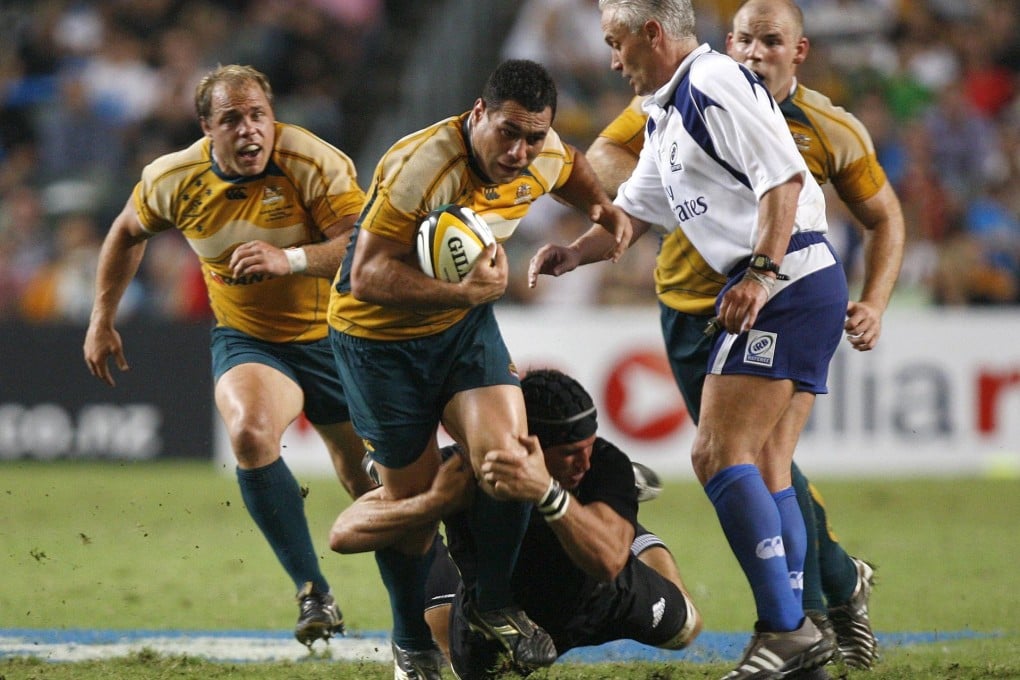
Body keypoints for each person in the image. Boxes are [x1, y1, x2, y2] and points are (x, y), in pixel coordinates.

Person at [529, 1, 853, 677]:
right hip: (799, 281)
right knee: (765, 466)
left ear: (653, 33)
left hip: (785, 281)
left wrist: (759, 277)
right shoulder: (669, 109)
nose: (613, 61)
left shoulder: (713, 83)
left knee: (715, 452)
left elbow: (785, 181)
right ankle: (802, 643)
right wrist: (573, 252)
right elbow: (634, 214)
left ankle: (786, 632)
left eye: (618, 43)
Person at [326, 59, 631, 676]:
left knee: (512, 457)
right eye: (508, 133)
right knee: (413, 513)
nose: (519, 152)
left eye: (533, 136)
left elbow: (569, 166)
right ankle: (411, 637)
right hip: (377, 341)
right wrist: (467, 295)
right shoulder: (424, 166)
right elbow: (366, 276)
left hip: (461, 332)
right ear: (477, 115)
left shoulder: (542, 153)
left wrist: (602, 209)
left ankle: (493, 605)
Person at [82, 64, 374, 648]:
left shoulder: (315, 161)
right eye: (231, 120)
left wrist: (287, 259)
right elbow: (124, 232)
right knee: (249, 435)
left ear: (274, 118)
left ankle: (441, 582)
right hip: (250, 338)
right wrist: (102, 318)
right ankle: (313, 591)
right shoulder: (174, 178)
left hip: (336, 333)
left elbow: (360, 246)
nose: (249, 131)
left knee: (361, 469)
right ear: (206, 129)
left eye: (258, 115)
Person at [329, 368, 702, 679]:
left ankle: (625, 528)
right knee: (457, 651)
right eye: (570, 453)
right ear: (527, 444)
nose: (585, 463)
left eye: (589, 446)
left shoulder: (605, 464)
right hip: (506, 624)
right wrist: (432, 502)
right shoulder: (470, 466)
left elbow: (606, 563)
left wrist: (547, 491)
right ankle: (411, 643)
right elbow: (343, 533)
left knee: (687, 630)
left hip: (605, 597)